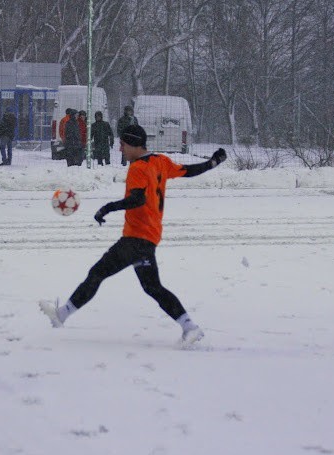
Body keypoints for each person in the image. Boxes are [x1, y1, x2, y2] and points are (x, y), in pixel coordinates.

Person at [39, 125, 228, 344]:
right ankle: (190, 327)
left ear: (133, 144)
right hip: (150, 236)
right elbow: (189, 170)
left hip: (135, 238)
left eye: (123, 144)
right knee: (152, 287)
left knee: (97, 273)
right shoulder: (161, 161)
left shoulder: (138, 168)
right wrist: (213, 162)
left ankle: (61, 315)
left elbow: (138, 199)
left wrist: (108, 207)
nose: (120, 149)